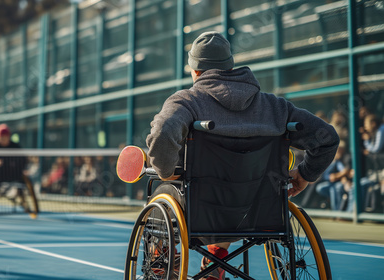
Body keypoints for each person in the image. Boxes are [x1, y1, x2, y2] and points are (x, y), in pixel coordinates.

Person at [146, 31, 339, 280]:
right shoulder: (274, 107)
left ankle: (162, 259)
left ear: (195, 70)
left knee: (161, 189)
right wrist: (304, 174)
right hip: (258, 212)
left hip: (202, 212)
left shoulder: (187, 101)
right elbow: (327, 137)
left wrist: (166, 170)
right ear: (230, 66)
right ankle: (216, 261)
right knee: (235, 192)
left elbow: (162, 134)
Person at [315, 141, 351, 211]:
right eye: (337, 150)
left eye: (340, 150)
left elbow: (344, 171)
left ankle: (336, 211)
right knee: (320, 188)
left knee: (334, 189)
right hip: (330, 182)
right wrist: (330, 177)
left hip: (338, 182)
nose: (338, 152)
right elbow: (325, 175)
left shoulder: (344, 158)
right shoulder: (331, 159)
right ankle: (332, 204)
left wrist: (338, 176)